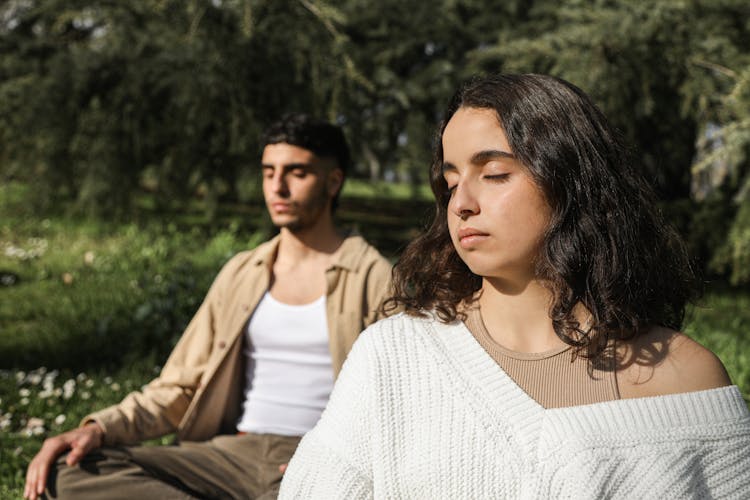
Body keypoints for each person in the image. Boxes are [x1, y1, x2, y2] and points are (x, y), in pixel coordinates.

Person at [279, 75, 750, 498]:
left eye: (495, 174)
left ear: (573, 182)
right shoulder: (394, 358)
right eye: (450, 182)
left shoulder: (687, 380)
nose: (461, 203)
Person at [24, 113, 393, 500]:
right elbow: (180, 384)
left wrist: (342, 463)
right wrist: (98, 428)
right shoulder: (243, 271)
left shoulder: (374, 276)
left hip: (314, 459)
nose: (277, 188)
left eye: (296, 173)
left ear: (333, 182)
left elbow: (394, 401)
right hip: (229, 456)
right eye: (268, 172)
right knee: (69, 472)